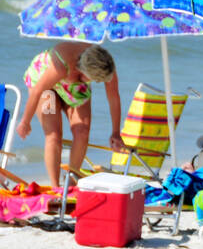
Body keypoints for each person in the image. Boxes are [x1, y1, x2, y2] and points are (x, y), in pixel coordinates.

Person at [16, 42, 123, 188]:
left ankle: (71, 184)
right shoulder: (60, 66)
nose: (97, 83)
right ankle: (56, 188)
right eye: (94, 80)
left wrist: (116, 132)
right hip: (46, 87)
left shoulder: (106, 66)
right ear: (83, 72)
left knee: (82, 131)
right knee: (53, 134)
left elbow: (113, 97)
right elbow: (37, 91)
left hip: (74, 87)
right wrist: (25, 122)